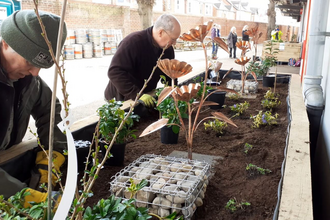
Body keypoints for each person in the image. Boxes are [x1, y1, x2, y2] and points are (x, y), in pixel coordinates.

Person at [0, 10, 67, 207]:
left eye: (41, 66)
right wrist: (20, 195)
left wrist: (52, 152)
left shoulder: (28, 79)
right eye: (30, 62)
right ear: (5, 43)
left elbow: (49, 109)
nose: (35, 73)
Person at [104, 14, 181, 108]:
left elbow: (169, 74)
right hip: (121, 98)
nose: (174, 43)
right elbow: (115, 72)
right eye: (173, 39)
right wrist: (137, 94)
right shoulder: (132, 43)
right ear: (161, 32)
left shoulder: (167, 49)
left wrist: (172, 90)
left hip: (146, 94)